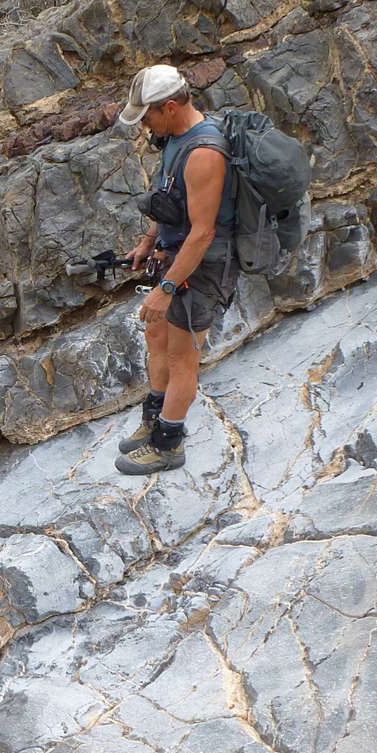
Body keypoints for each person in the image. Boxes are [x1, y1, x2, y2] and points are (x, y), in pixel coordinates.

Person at [113, 64, 237, 476]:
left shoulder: (204, 154)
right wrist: (149, 241)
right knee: (157, 336)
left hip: (204, 264)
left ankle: (168, 444)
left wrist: (165, 289)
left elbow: (203, 233)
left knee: (183, 356)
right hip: (177, 254)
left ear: (169, 106)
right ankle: (154, 418)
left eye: (146, 115)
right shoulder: (174, 139)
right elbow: (170, 198)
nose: (144, 124)